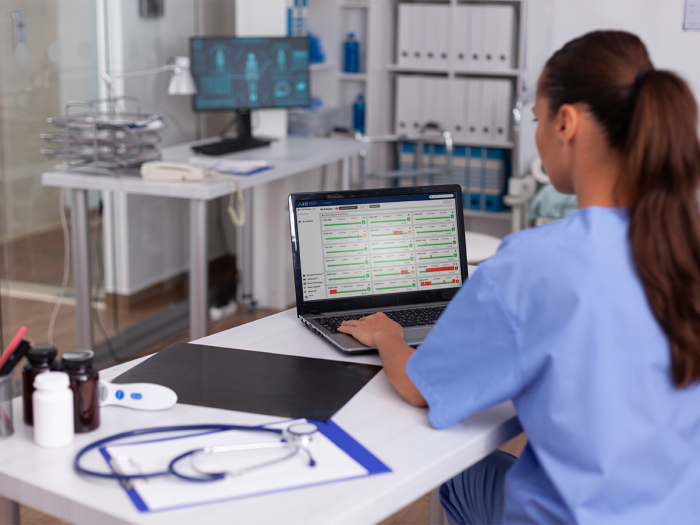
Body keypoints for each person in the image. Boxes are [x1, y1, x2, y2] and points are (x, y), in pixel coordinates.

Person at [338, 30, 700, 524]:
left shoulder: (535, 263)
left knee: (455, 466)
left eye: (536, 120)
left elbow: (421, 388)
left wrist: (387, 334)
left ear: (565, 123)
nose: (535, 134)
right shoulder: (684, 246)